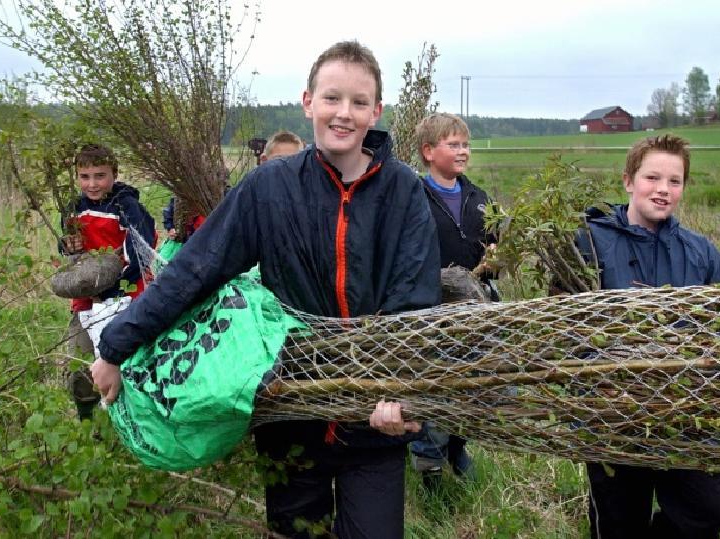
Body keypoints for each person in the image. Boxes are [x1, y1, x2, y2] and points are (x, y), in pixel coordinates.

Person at [93, 41, 441, 538]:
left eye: (359, 102)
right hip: (290, 409)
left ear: (376, 112)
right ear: (308, 102)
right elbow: (196, 271)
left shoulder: (405, 190)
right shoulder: (269, 188)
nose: (344, 114)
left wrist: (400, 397)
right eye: (331, 98)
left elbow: (414, 303)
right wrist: (115, 346)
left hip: (374, 421)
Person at [578, 134, 720, 538]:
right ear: (628, 181)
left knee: (711, 505)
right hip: (612, 414)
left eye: (675, 181)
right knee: (618, 522)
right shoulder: (590, 243)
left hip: (685, 415)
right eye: (652, 178)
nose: (663, 190)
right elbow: (564, 325)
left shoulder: (700, 252)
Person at [409, 113, 498, 488]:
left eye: (465, 145)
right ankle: (428, 460)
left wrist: (496, 260)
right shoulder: (414, 198)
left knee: (472, 381)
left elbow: (494, 252)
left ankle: (458, 445)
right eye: (453, 144)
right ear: (428, 151)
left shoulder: (480, 198)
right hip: (433, 310)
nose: (462, 151)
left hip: (476, 308)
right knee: (435, 382)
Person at [59, 143, 156, 420]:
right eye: (84, 177)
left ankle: (135, 419)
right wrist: (67, 245)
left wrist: (114, 286)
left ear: (114, 174)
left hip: (124, 297)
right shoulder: (73, 208)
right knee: (79, 362)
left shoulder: (127, 207)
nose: (92, 184)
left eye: (100, 175)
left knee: (127, 361)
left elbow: (141, 251)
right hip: (86, 299)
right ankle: (89, 422)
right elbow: (68, 248)